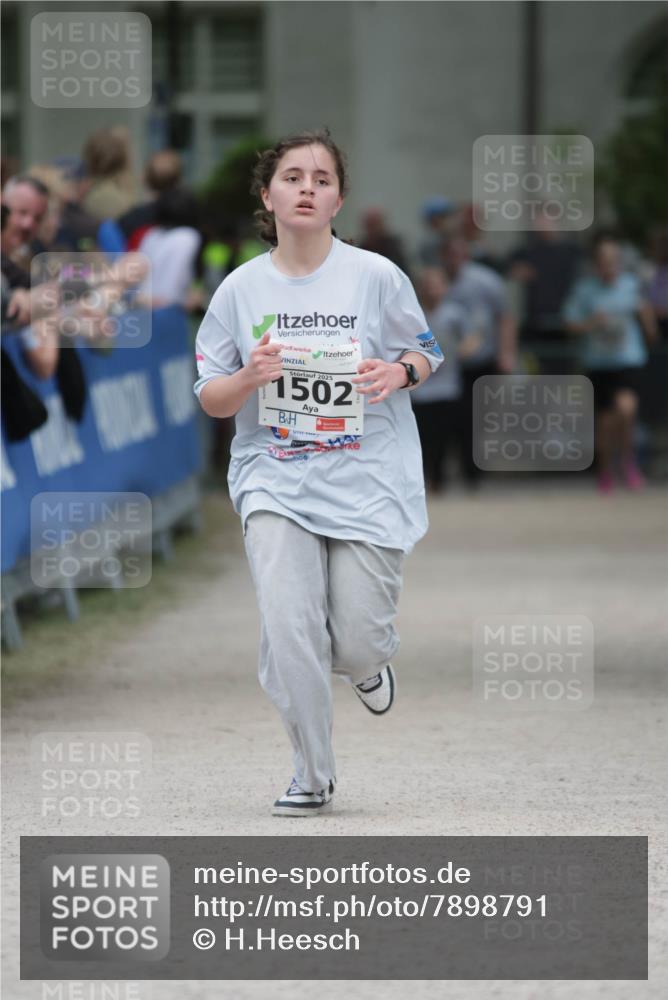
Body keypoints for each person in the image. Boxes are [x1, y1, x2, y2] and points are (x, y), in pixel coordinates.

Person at [193, 128, 443, 817]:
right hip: (273, 475)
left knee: (356, 638)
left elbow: (427, 353)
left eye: (322, 179)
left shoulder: (375, 276)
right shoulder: (240, 291)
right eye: (294, 177)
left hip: (368, 476)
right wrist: (249, 376)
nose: (308, 188)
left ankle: (368, 664)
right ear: (267, 195)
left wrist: (396, 371)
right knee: (288, 623)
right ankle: (311, 772)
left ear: (339, 198)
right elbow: (211, 397)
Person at [563, 234, 657, 493]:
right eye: (603, 261)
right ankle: (605, 470)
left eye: (613, 260)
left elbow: (647, 318)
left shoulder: (631, 285)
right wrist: (592, 322)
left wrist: (648, 323)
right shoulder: (585, 290)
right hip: (598, 362)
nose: (608, 265)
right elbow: (570, 324)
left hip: (628, 358)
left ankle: (628, 461)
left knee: (626, 410)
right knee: (605, 422)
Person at [441, 235, 517, 487]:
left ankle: (473, 471)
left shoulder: (486, 281)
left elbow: (505, 317)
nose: (453, 259)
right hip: (448, 364)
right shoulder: (438, 282)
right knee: (455, 416)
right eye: (448, 253)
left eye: (457, 253)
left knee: (478, 417)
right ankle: (460, 470)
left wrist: (506, 353)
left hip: (483, 359)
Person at [412, 267, 477, 492]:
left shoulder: (454, 313)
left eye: (437, 285)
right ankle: (429, 479)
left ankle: (463, 478)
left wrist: (463, 350)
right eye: (428, 285)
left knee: (449, 435)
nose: (432, 290)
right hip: (420, 390)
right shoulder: (414, 313)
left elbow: (472, 338)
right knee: (424, 438)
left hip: (449, 387)